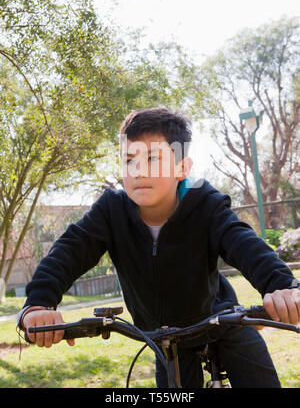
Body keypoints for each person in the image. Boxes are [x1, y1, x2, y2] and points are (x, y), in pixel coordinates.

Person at [17, 107, 300, 388]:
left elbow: (245, 244)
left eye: (152, 158)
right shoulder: (111, 211)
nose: (138, 171)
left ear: (182, 168)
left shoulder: (206, 204)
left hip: (221, 321)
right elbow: (68, 251)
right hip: (164, 337)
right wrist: (38, 304)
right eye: (129, 160)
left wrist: (282, 285)